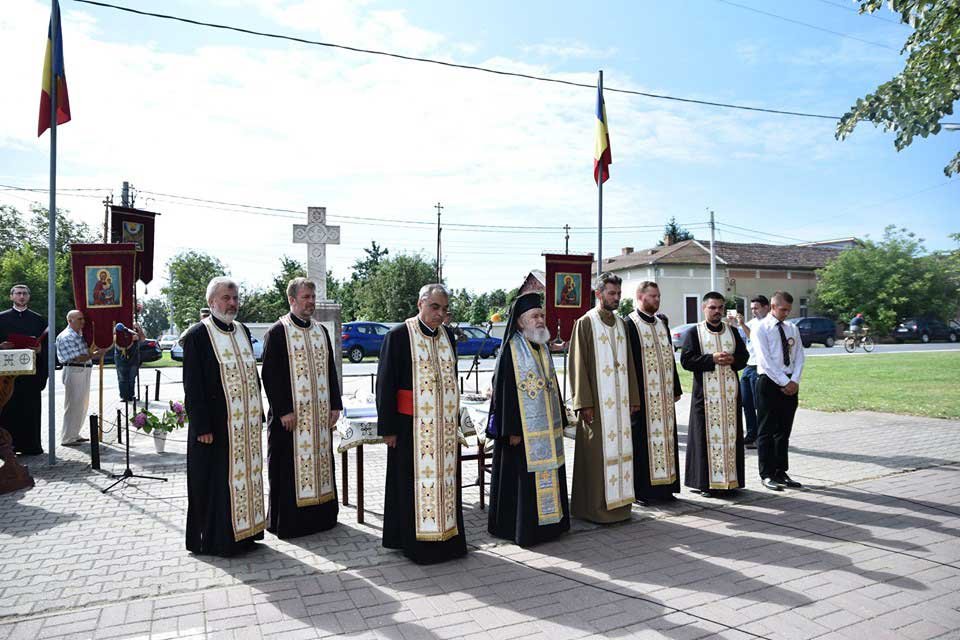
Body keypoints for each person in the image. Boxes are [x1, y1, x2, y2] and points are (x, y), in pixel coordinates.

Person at [375, 284, 467, 564]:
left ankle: (448, 539)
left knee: (446, 484)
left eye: (443, 309)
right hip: (410, 428)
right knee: (411, 487)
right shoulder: (399, 335)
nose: (440, 314)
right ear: (420, 304)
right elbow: (386, 383)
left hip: (444, 429)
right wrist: (388, 429)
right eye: (435, 307)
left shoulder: (447, 336)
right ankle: (415, 545)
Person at [182, 277, 265, 556]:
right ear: (211, 302)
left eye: (235, 298)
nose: (232, 303)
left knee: (247, 479)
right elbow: (193, 385)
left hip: (246, 425)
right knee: (218, 483)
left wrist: (259, 413)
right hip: (216, 428)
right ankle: (219, 540)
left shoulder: (241, 330)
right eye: (226, 298)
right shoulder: (197, 335)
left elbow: (252, 375)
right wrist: (201, 425)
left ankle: (246, 534)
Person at [261, 277, 342, 539]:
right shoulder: (278, 331)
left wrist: (335, 405)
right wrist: (283, 410)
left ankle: (321, 517)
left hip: (319, 417)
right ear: (292, 300)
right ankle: (290, 523)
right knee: (288, 469)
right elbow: (270, 375)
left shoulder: (321, 331)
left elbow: (330, 370)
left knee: (320, 462)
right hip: (291, 418)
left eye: (312, 297)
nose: (311, 302)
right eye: (306, 297)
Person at [487, 292, 570, 546]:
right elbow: (504, 393)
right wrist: (511, 430)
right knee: (523, 482)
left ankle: (551, 526)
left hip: (547, 429)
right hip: (521, 434)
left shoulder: (542, 347)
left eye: (542, 315)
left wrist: (562, 419)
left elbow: (551, 385)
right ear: (521, 321)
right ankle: (524, 529)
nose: (541, 320)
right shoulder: (511, 350)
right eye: (535, 316)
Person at [568, 273, 641, 523]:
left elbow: (629, 362)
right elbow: (578, 366)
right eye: (612, 293)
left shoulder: (621, 323)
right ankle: (591, 509)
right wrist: (584, 402)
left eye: (619, 293)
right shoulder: (585, 322)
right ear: (599, 294)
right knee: (596, 456)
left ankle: (620, 506)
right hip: (597, 403)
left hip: (620, 405)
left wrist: (633, 396)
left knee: (622, 453)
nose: (617, 298)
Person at [680, 292, 749, 497]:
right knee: (704, 439)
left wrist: (733, 360)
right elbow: (687, 360)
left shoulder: (732, 332)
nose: (717, 311)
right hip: (705, 397)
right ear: (704, 309)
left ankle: (731, 481)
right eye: (712, 307)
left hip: (729, 396)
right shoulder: (695, 332)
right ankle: (705, 483)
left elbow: (744, 357)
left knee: (730, 438)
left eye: (720, 307)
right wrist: (711, 359)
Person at [624, 281, 682, 503]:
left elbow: (670, 358)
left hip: (664, 395)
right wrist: (633, 396)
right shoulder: (629, 323)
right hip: (643, 397)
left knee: (666, 441)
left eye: (658, 296)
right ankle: (642, 492)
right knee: (642, 444)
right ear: (640, 297)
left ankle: (666, 488)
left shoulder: (661, 324)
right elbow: (628, 363)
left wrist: (675, 387)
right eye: (653, 296)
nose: (657, 300)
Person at [754, 291, 805, 491]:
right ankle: (766, 473)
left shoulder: (792, 328)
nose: (786, 313)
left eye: (788, 310)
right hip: (769, 382)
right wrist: (784, 381)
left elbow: (799, 355)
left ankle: (780, 471)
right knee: (766, 430)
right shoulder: (761, 328)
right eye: (783, 309)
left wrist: (794, 380)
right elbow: (765, 361)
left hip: (790, 382)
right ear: (773, 307)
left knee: (783, 430)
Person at [0, 284, 49, 455]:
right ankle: (7, 447)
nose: (21, 296)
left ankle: (31, 445)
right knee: (8, 410)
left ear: (29, 297)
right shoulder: (1, 318)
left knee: (30, 409)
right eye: (18, 293)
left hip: (31, 376)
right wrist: (1, 346)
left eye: (25, 293)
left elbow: (47, 345)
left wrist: (40, 350)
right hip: (7, 377)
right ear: (11, 296)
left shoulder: (38, 320)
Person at [55, 310, 103, 446]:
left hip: (83, 369)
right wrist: (95, 354)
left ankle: (74, 434)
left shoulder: (79, 334)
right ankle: (67, 437)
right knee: (73, 404)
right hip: (74, 369)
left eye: (83, 319)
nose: (83, 322)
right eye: (79, 319)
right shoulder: (66, 336)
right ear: (70, 320)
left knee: (82, 404)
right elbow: (78, 357)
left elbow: (85, 354)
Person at [736, 295, 770, 449]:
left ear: (766, 307)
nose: (753, 311)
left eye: (756, 308)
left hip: (760, 367)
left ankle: (764, 435)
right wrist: (732, 325)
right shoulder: (751, 323)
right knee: (746, 402)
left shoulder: (769, 324)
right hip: (748, 366)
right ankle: (751, 434)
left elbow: (754, 338)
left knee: (760, 404)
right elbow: (740, 337)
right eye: (751, 309)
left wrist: (742, 325)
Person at [114, 321, 145, 403]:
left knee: (132, 377)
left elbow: (142, 339)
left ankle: (131, 395)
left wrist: (139, 329)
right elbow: (113, 338)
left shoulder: (135, 325)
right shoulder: (118, 325)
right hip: (120, 355)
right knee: (122, 378)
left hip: (133, 356)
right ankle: (124, 396)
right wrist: (130, 338)